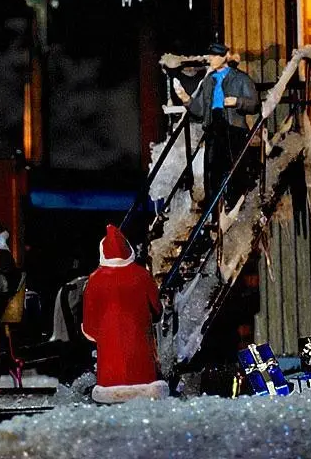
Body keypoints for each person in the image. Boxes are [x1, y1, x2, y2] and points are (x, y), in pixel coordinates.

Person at [81, 225, 168, 403]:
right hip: (143, 363)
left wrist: (100, 333)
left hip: (109, 372)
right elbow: (157, 310)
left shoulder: (94, 279)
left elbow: (89, 325)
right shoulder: (142, 275)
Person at [172, 42, 261, 214]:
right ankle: (213, 211)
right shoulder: (208, 81)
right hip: (214, 127)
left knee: (236, 169)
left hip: (233, 128)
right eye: (210, 56)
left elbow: (255, 104)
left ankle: (236, 207)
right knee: (212, 170)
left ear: (224, 57)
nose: (211, 59)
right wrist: (186, 99)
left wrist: (238, 102)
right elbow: (199, 111)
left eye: (215, 56)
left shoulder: (240, 79)